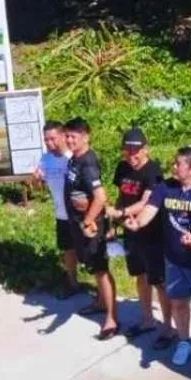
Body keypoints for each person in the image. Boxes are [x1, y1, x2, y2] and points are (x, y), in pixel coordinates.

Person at [136, 146, 191, 368]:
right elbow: (150, 210)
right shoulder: (166, 187)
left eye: (178, 163)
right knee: (179, 303)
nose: (173, 166)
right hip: (174, 261)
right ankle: (184, 342)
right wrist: (137, 222)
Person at [109, 127, 165, 338]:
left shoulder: (153, 170)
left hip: (150, 231)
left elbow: (146, 201)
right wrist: (116, 222)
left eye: (136, 151)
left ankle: (168, 325)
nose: (132, 156)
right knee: (139, 275)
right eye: (127, 151)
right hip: (129, 230)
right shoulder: (122, 168)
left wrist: (120, 212)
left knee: (158, 280)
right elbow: (120, 196)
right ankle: (147, 318)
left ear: (146, 149)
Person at [63, 117, 117, 340]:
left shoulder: (88, 162)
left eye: (73, 137)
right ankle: (100, 302)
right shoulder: (74, 159)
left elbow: (100, 197)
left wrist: (88, 220)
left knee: (102, 270)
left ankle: (112, 319)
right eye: (67, 136)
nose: (69, 140)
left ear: (86, 137)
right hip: (78, 222)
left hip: (92, 226)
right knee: (95, 269)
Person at [32, 120, 77, 296]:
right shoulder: (45, 159)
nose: (50, 144)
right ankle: (72, 283)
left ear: (63, 136)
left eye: (53, 139)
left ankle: (99, 292)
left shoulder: (73, 158)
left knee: (88, 252)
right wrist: (36, 180)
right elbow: (39, 187)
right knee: (68, 249)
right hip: (61, 213)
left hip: (78, 214)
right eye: (46, 140)